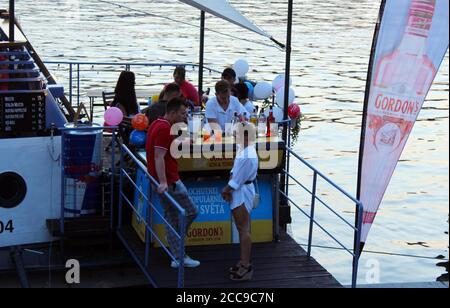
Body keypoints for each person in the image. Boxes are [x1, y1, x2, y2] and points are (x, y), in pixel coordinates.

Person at [146, 97, 200, 268]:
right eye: (183, 113)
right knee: (191, 211)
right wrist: (163, 182)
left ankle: (177, 255)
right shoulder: (164, 129)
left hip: (162, 179)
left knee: (171, 216)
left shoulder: (158, 123)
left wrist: (184, 141)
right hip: (170, 181)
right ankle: (176, 246)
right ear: (173, 112)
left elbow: (166, 146)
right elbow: (158, 156)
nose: (185, 117)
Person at [221, 122, 258, 281]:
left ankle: (246, 266)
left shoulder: (247, 155)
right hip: (239, 191)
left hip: (242, 193)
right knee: (241, 227)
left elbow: (236, 180)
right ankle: (243, 262)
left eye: (236, 133)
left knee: (243, 229)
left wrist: (226, 190)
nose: (234, 136)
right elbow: (234, 173)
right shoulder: (244, 150)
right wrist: (230, 188)